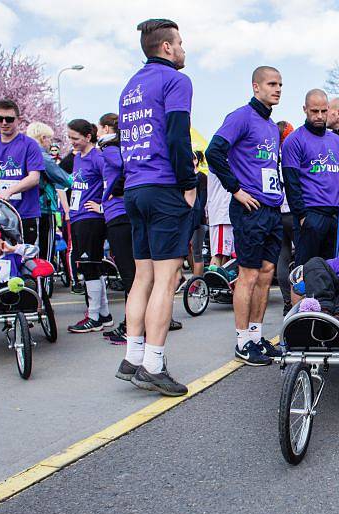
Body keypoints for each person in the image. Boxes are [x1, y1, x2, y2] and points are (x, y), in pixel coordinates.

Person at [115, 18, 197, 396]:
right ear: (166, 47)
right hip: (164, 186)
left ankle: (132, 356)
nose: (183, 49)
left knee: (142, 277)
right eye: (179, 42)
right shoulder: (176, 80)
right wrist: (188, 182)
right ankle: (153, 364)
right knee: (167, 280)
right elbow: (177, 133)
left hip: (135, 187)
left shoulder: (131, 85)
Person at [206, 65, 283, 365]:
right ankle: (241, 342)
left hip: (271, 209)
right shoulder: (241, 116)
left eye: (280, 84)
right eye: (271, 84)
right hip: (249, 208)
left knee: (266, 275)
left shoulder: (271, 125)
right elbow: (214, 152)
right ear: (256, 87)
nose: (277, 89)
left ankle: (256, 336)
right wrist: (235, 189)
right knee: (248, 276)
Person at [282, 89, 339, 265]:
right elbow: (291, 182)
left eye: (323, 111)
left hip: (334, 214)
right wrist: (302, 216)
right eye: (314, 111)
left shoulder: (336, 140)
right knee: (304, 272)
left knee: (333, 271)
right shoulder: (294, 140)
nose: (319, 116)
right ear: (305, 109)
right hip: (310, 213)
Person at [65, 119, 113, 333]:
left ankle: (93, 316)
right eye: (69, 138)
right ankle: (103, 314)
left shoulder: (98, 157)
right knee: (89, 265)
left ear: (88, 136)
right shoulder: (77, 158)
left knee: (89, 264)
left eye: (75, 138)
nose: (72, 142)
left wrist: (102, 206)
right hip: (77, 217)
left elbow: (113, 180)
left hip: (91, 218)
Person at [97, 112, 134, 344]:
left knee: (131, 275)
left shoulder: (110, 148)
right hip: (120, 214)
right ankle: (132, 324)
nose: (98, 133)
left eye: (99, 129)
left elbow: (123, 166)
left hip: (120, 215)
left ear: (109, 129)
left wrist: (115, 188)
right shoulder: (117, 146)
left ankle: (133, 327)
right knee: (133, 274)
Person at [0, 99, 45, 244]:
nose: (4, 123)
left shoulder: (30, 145)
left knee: (26, 260)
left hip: (24, 214)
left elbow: (34, 178)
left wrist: (9, 192)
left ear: (18, 120)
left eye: (9, 119)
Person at [25, 122, 72, 268]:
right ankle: (44, 287)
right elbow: (64, 179)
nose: (50, 143)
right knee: (45, 253)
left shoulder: (24, 152)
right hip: (44, 207)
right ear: (42, 138)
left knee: (28, 250)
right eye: (49, 139)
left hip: (26, 208)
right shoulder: (42, 156)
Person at [276, 120, 296, 315]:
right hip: (293, 210)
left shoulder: (272, 155)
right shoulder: (292, 152)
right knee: (302, 256)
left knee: (282, 257)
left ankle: (287, 301)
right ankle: (300, 298)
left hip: (277, 211)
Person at [0, 226, 39, 298]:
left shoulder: (12, 257)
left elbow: (34, 250)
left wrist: (13, 249)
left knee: (26, 277)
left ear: (3, 243)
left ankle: (26, 287)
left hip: (14, 287)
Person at [188, 150, 208, 277]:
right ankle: (193, 279)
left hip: (198, 220)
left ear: (196, 161)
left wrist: (197, 217)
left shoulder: (201, 177)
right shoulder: (188, 177)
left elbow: (202, 199)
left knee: (196, 251)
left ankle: (197, 282)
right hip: (188, 219)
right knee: (188, 250)